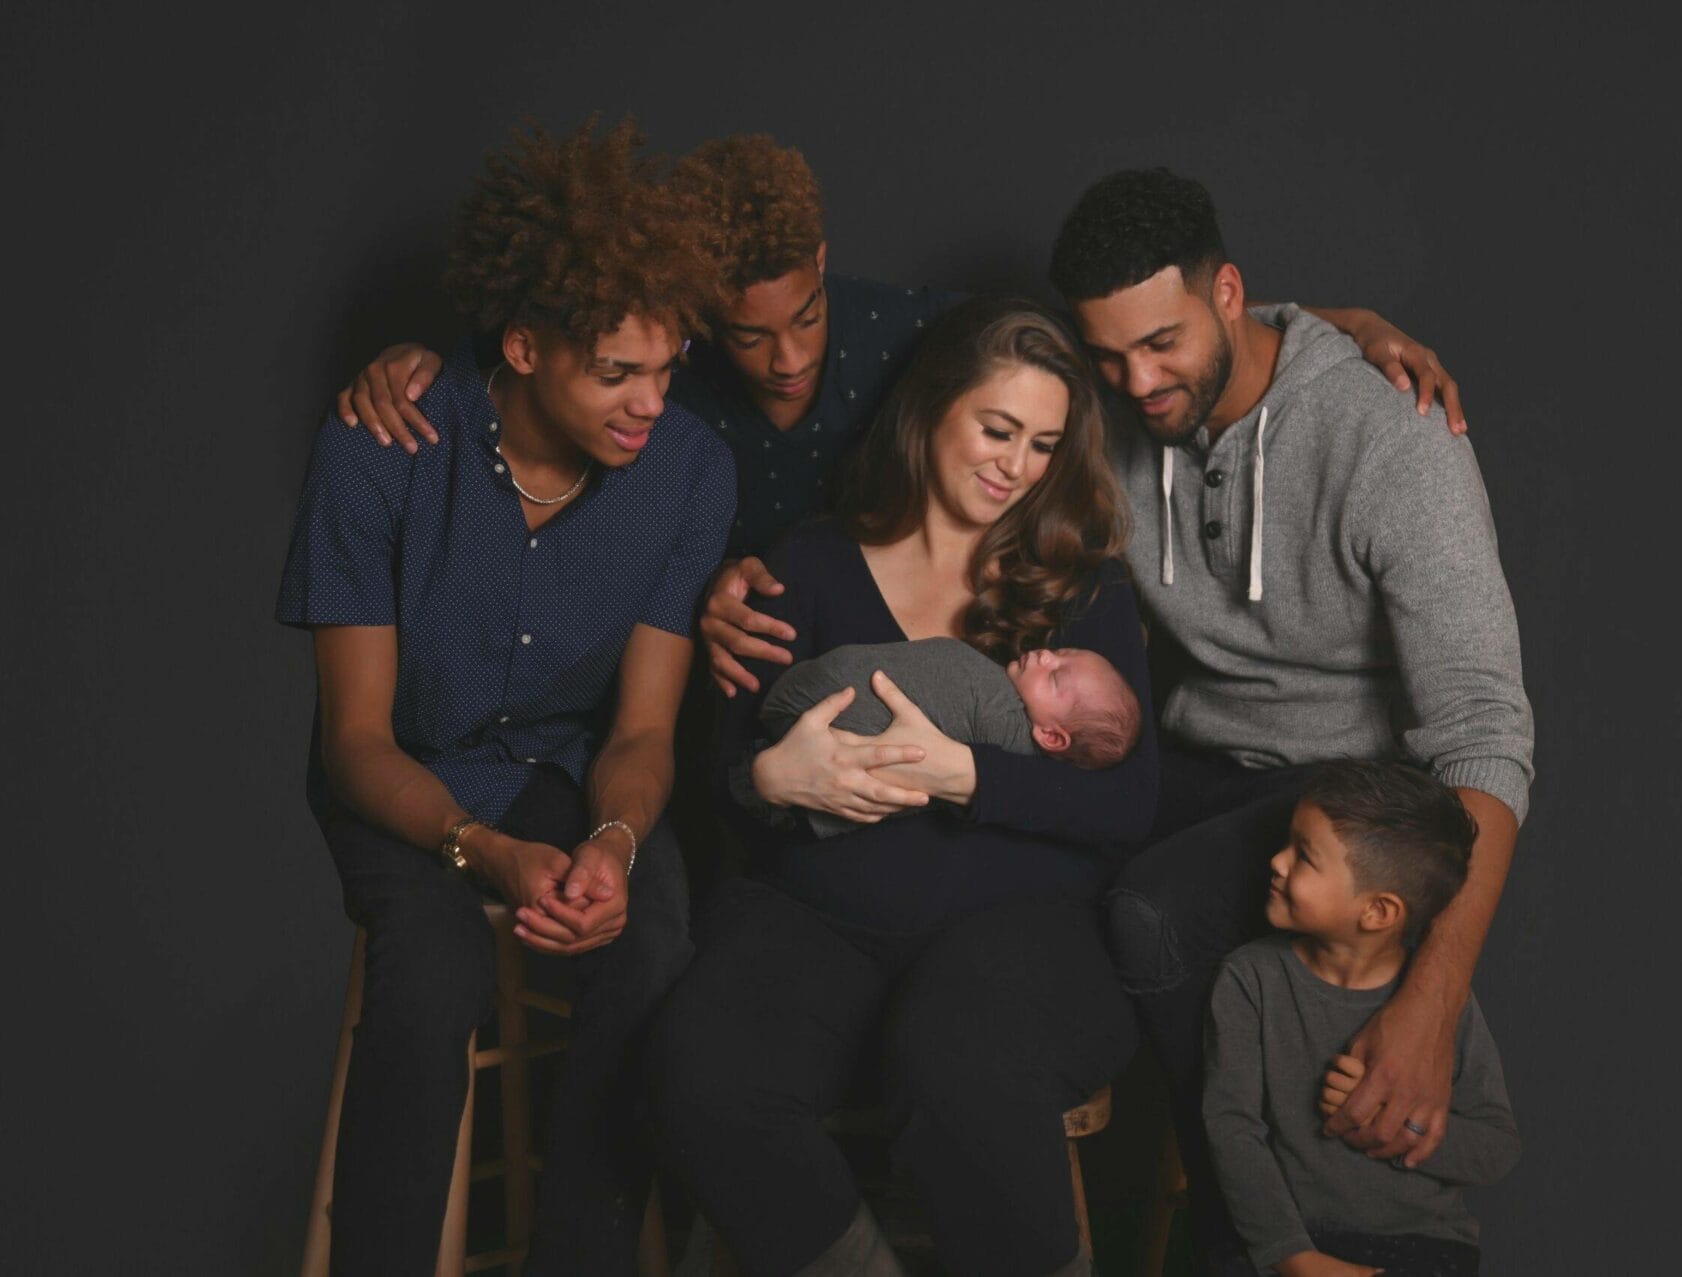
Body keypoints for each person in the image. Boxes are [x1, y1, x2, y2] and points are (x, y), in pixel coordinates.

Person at [334, 135, 1467, 691]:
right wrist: (433, 356)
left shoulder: (904, 332)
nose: (785, 358)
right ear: (691, 320)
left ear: (828, 268)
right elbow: (563, 353)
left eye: (806, 317)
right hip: (722, 662)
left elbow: (1114, 343)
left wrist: (1326, 321)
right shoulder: (662, 388)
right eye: (745, 335)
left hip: (918, 654)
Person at [1043, 168, 1534, 1277]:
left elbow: (1485, 730)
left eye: (1161, 343)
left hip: (1338, 781)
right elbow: (941, 352)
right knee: (1004, 864)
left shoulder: (1392, 434)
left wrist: (1431, 993)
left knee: (1153, 913)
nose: (1137, 379)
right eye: (1110, 354)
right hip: (1187, 754)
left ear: (1229, 294)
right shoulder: (1113, 395)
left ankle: (1259, 1247)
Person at [275, 119, 734, 1276]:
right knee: (435, 977)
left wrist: (617, 844)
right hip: (408, 781)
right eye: (615, 372)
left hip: (569, 770)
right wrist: (479, 849)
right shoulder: (381, 449)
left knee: (655, 944)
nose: (650, 401)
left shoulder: (689, 471)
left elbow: (639, 728)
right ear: (522, 348)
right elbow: (358, 741)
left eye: (667, 365)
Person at [644, 296, 1149, 1277]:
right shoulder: (808, 563)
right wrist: (767, 773)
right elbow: (721, 769)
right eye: (997, 429)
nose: (1016, 465)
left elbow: (1126, 804)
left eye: (1045, 443)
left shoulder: (1083, 589)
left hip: (1016, 927)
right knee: (697, 1070)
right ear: (932, 413)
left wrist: (966, 773)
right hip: (817, 918)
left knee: (961, 1060)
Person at [1204, 761, 1520, 1277]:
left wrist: (1403, 1126)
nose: (1277, 862)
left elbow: (1497, 1148)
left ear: (1377, 912)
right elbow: (1232, 1129)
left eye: (1304, 856)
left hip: (1422, 1249)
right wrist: (1294, 1257)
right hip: (1291, 1242)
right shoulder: (1249, 980)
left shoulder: (1443, 1008)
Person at [761, 638, 1140, 835]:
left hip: (809, 726)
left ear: (1051, 738)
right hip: (800, 714)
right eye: (1060, 652)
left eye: (1055, 677)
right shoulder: (1001, 696)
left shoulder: (1011, 733)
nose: (1044, 656)